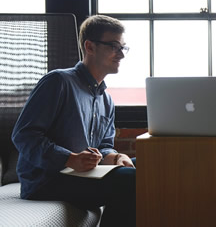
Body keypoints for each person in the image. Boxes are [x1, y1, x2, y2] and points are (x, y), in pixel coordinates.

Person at [12, 15, 136, 227]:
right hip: (46, 180)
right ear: (89, 46)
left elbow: (103, 147)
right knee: (130, 180)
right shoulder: (58, 81)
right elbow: (24, 135)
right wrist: (69, 158)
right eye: (115, 46)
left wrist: (115, 157)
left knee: (145, 169)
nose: (121, 55)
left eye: (123, 48)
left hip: (83, 176)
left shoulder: (106, 99)